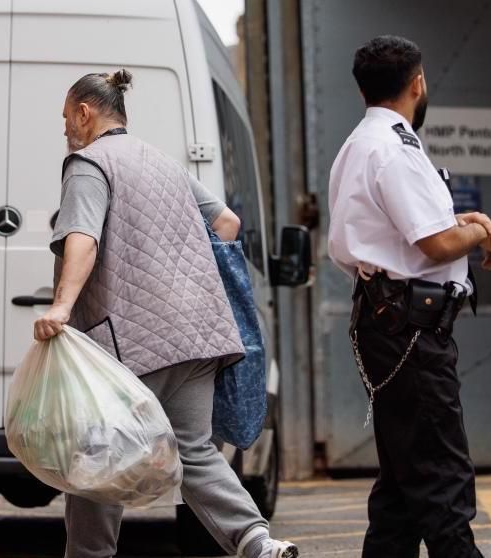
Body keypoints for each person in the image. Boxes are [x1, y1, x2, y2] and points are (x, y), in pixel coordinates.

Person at [33, 70, 298, 558]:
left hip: (133, 341)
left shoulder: (88, 163)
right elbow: (227, 223)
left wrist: (62, 307)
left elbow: (83, 238)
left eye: (67, 117)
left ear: (85, 113)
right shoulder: (163, 163)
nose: (65, 128)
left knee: (98, 455)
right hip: (201, 333)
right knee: (195, 451)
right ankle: (256, 541)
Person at [327, 36, 491, 558]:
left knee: (402, 491)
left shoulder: (359, 144)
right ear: (417, 83)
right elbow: (435, 243)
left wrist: (463, 222)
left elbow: (396, 234)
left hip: (389, 321)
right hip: (410, 329)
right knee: (442, 477)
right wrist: (474, 231)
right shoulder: (394, 149)